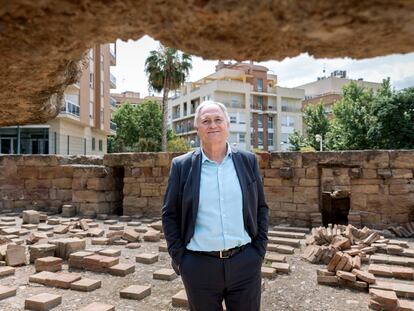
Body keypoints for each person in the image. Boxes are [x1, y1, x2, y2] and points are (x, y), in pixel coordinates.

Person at [162, 100, 268, 311]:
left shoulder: (248, 162)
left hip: (245, 263)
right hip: (199, 267)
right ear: (197, 127)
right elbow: (170, 215)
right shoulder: (182, 166)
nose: (213, 125)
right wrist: (181, 259)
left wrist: (259, 251)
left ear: (227, 124)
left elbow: (261, 208)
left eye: (218, 119)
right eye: (206, 121)